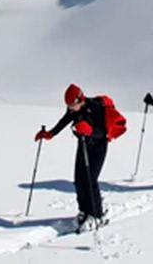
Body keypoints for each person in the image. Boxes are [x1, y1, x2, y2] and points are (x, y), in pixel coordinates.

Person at [36, 84, 110, 230]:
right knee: (78, 180)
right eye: (68, 105)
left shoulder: (94, 108)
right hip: (83, 145)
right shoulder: (73, 109)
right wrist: (51, 134)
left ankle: (97, 215)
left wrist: (89, 130)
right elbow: (65, 120)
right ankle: (84, 210)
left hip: (98, 147)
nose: (70, 108)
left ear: (80, 99)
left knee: (90, 180)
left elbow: (104, 133)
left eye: (72, 105)